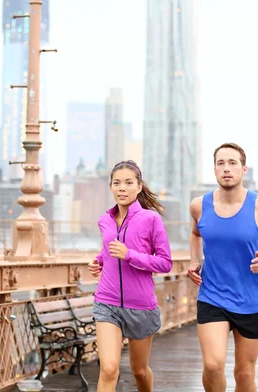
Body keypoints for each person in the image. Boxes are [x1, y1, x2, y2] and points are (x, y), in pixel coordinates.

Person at [187, 143, 258, 392]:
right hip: (213, 296)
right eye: (221, 163)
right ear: (214, 170)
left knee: (244, 374)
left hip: (251, 299)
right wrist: (194, 260)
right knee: (213, 365)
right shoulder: (199, 206)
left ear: (244, 169)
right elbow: (195, 233)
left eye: (232, 163)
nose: (226, 168)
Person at [88, 160, 173, 392]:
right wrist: (98, 262)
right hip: (107, 302)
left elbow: (165, 263)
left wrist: (130, 255)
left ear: (138, 187)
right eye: (117, 183)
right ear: (111, 187)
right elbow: (108, 250)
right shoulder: (104, 220)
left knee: (139, 371)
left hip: (141, 307)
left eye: (128, 183)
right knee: (108, 369)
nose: (122, 188)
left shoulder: (150, 219)